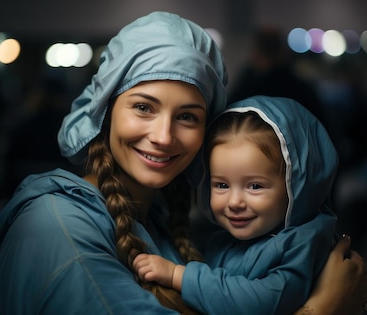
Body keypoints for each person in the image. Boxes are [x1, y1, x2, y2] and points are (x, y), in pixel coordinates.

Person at [0, 11, 367, 314]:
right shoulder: (56, 230)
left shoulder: (161, 223)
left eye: (187, 117)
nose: (163, 136)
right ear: (105, 111)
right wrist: (323, 309)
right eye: (143, 107)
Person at [133, 96, 346, 314]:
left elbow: (259, 303)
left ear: (297, 186)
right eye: (222, 185)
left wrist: (178, 275)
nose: (234, 202)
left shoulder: (303, 244)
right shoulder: (218, 238)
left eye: (255, 186)